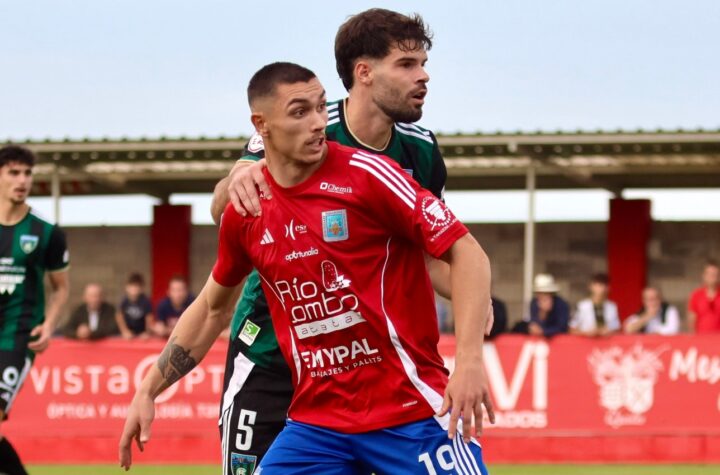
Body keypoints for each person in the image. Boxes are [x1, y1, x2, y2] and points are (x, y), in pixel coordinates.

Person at [120, 62, 494, 475]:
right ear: (260, 126)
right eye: (300, 112)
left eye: (320, 108)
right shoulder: (246, 213)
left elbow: (466, 253)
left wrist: (470, 361)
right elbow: (211, 309)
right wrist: (148, 389)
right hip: (318, 425)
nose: (318, 123)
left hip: (409, 411)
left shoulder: (372, 175)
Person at [209, 9, 491, 472]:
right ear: (364, 72)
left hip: (362, 365)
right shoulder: (310, 126)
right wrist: (240, 174)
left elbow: (440, 253)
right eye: (407, 64)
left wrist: (471, 297)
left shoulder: (420, 149)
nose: (424, 77)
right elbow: (227, 202)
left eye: (423, 63)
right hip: (273, 349)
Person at [0, 145, 70, 475]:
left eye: (27, 173)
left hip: (18, 337)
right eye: (13, 172)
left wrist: (50, 323)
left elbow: (61, 288)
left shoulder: (46, 233)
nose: (22, 180)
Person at [569, 273, 620, 337]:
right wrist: (586, 333)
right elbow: (572, 329)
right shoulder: (582, 306)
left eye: (603, 285)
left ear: (608, 288)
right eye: (598, 285)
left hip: (607, 344)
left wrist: (609, 331)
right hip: (586, 343)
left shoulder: (612, 307)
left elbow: (617, 329)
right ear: (591, 286)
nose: (600, 289)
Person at [115, 272, 154, 339]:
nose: (134, 289)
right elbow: (119, 316)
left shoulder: (145, 301)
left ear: (141, 288)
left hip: (142, 332)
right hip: (128, 332)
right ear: (127, 287)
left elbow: (149, 318)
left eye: (136, 286)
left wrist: (147, 332)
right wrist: (124, 331)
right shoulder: (124, 301)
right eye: (131, 286)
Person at [687, 259, 720, 333]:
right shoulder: (696, 295)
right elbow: (691, 320)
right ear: (704, 276)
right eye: (710, 274)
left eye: (715, 274)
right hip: (702, 339)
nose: (713, 277)